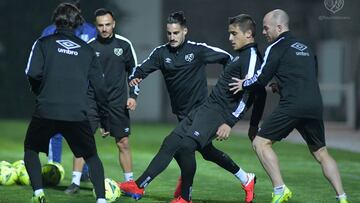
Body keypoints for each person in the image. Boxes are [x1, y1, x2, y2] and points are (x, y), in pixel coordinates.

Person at [120, 13, 265, 203]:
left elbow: (253, 90)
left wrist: (229, 120)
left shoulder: (209, 52)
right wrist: (136, 78)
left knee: (186, 147)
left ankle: (184, 196)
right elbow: (142, 68)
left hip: (210, 110)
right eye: (169, 33)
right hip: (198, 110)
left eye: (176, 32)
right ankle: (139, 186)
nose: (172, 36)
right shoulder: (161, 53)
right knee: (175, 144)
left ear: (185, 31)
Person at [229, 9, 349, 203]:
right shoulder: (306, 46)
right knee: (321, 153)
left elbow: (260, 79)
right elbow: (308, 74)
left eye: (266, 28)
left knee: (260, 143)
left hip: (293, 104)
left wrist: (244, 83)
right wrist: (282, 85)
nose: (264, 32)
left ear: (279, 27)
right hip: (314, 104)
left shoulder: (275, 47)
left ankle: (279, 189)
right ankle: (342, 197)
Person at [24, 3, 109, 203]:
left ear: (56, 20)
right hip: (76, 113)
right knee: (91, 156)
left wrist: (39, 91)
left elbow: (32, 73)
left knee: (30, 149)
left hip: (46, 110)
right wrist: (104, 118)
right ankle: (102, 200)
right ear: (78, 22)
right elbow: (100, 88)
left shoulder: (43, 43)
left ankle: (38, 194)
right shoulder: (87, 50)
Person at [64, 8, 139, 194]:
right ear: (96, 26)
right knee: (82, 139)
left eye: (107, 24)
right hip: (92, 102)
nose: (104, 29)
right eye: (100, 25)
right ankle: (75, 182)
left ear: (113, 24)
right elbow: (79, 75)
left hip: (117, 102)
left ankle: (129, 183)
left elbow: (135, 73)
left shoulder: (125, 45)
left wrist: (133, 96)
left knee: (123, 143)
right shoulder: (89, 46)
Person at [41, 0, 97, 183]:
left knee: (82, 132)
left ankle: (85, 170)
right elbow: (39, 63)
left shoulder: (90, 31)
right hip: (56, 92)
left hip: (83, 93)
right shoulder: (49, 32)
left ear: (79, 11)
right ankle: (53, 169)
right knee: (53, 131)